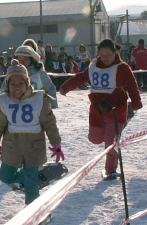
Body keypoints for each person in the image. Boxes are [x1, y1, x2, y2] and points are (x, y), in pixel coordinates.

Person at [59, 39, 142, 180]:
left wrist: (136, 103)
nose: (106, 58)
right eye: (102, 55)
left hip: (116, 109)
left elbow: (132, 85)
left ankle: (110, 169)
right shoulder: (93, 65)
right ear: (98, 54)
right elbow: (81, 77)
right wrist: (65, 87)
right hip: (97, 109)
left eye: (109, 55)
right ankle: (111, 137)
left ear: (115, 53)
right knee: (95, 138)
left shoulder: (122, 67)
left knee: (111, 143)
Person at [0, 59, 64, 205]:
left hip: (34, 147)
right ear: (7, 84)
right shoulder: (3, 101)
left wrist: (56, 143)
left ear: (27, 83)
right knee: (5, 177)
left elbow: (50, 124)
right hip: (12, 146)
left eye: (21, 83)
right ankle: (37, 176)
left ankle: (33, 213)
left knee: (31, 185)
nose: (17, 87)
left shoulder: (39, 99)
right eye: (12, 83)